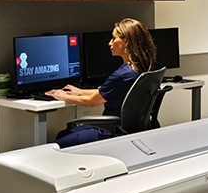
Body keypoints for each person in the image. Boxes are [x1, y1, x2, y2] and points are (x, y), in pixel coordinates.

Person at [49, 18, 157, 147]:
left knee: (57, 143)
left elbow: (92, 102)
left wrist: (63, 96)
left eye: (113, 38)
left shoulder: (122, 75)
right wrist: (80, 91)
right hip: (127, 129)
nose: (109, 43)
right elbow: (110, 91)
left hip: (109, 132)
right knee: (66, 133)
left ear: (126, 42)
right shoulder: (140, 70)